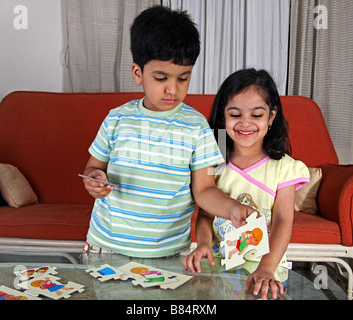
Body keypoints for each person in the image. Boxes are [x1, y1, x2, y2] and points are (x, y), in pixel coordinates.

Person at [81, 6, 255, 258]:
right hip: (106, 247)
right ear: (138, 73)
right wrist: (94, 179)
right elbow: (92, 168)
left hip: (169, 254)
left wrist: (233, 209)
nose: (172, 89)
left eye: (183, 79)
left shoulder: (199, 127)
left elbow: (205, 190)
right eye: (161, 78)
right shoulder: (116, 119)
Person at [182, 68, 310, 299]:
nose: (245, 123)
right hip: (221, 266)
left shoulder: (284, 168)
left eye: (256, 115)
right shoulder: (213, 162)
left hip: (267, 267)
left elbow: (283, 220)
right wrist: (203, 244)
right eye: (235, 114)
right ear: (223, 116)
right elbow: (205, 215)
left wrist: (267, 267)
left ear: (271, 117)